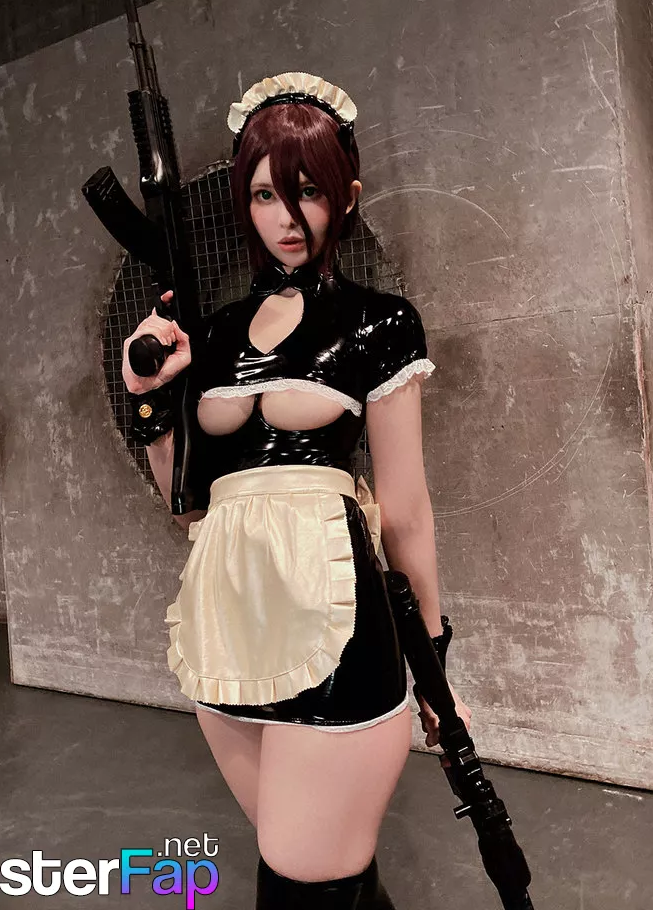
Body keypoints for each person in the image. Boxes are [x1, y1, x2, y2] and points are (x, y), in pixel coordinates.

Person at [122, 73, 472, 909]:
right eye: (265, 195)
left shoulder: (379, 322)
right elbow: (187, 503)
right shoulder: (208, 336)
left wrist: (434, 658)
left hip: (336, 625)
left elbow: (406, 511)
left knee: (303, 878)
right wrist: (151, 399)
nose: (286, 216)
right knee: (316, 873)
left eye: (307, 191)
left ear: (346, 195)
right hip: (225, 622)